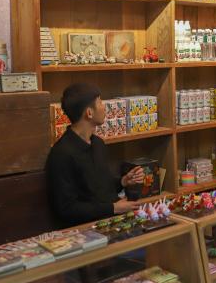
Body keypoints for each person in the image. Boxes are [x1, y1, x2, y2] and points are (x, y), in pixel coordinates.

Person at [46, 83, 145, 226]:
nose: (104, 107)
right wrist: (113, 208)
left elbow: (100, 189)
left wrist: (123, 182)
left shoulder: (98, 143)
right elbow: (67, 209)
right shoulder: (61, 154)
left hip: (111, 222)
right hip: (85, 230)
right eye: (100, 102)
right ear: (89, 113)